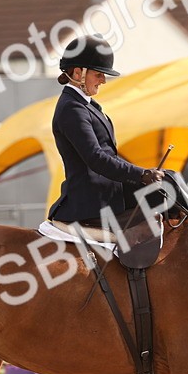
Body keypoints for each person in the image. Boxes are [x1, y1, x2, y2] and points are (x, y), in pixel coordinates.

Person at [47, 34, 164, 238]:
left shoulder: (86, 105)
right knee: (166, 193)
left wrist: (143, 174)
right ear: (77, 72)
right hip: (92, 200)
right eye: (99, 74)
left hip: (111, 191)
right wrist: (141, 174)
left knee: (171, 182)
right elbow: (96, 158)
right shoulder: (72, 109)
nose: (103, 81)